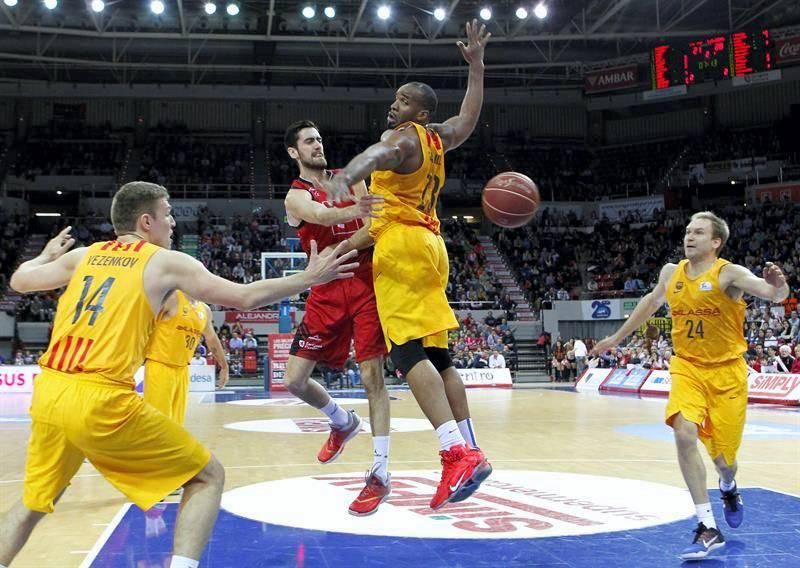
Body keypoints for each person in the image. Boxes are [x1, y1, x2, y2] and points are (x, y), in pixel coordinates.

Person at [0, 181, 358, 568]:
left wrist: (45, 256)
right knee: (207, 478)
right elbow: (245, 297)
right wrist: (308, 279)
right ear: (146, 221)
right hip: (100, 397)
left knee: (31, 504)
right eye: (168, 214)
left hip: (51, 393)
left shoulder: (85, 255)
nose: (173, 223)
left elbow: (19, 280)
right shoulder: (164, 262)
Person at [317, 20, 492, 510]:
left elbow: (378, 152)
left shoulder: (405, 140)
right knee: (440, 358)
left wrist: (345, 176)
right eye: (395, 99)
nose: (395, 105)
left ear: (420, 111)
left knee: (405, 356)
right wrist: (476, 67)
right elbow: (468, 119)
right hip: (432, 248)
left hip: (403, 251)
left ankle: (454, 453)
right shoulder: (438, 138)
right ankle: (471, 446)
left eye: (404, 100)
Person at [592, 211, 789, 561]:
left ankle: (728, 487)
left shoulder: (729, 273)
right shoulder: (671, 273)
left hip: (728, 375)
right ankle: (707, 526)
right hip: (687, 368)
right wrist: (615, 339)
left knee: (725, 461)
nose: (689, 236)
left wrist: (778, 284)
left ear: (716, 242)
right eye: (687, 231)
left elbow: (772, 294)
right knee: (684, 432)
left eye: (699, 232)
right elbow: (650, 303)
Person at [282, 119, 391, 516]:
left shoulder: (350, 178)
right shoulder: (295, 197)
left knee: (371, 378)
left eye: (320, 139)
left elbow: (370, 230)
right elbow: (320, 214)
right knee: (293, 380)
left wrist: (357, 227)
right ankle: (342, 421)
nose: (317, 145)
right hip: (325, 290)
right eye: (309, 141)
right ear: (294, 152)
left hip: (362, 282)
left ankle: (379, 474)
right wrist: (350, 211)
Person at [144, 290, 229, 425]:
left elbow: (212, 339)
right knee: (156, 423)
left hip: (183, 369)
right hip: (160, 365)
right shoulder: (171, 298)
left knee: (176, 424)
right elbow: (142, 321)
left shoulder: (204, 309)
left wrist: (224, 366)